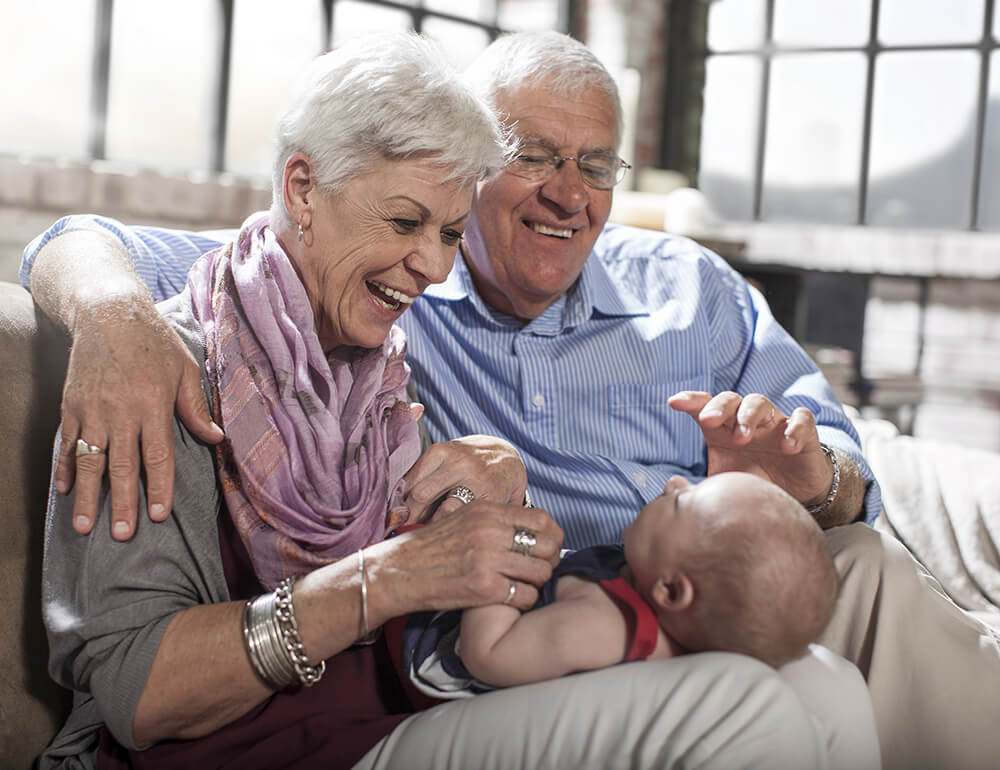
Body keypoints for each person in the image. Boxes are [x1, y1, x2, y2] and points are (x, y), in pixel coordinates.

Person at [38, 28, 1000, 769]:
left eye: (444, 232)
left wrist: (810, 477)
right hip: (385, 705)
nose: (427, 262)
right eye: (535, 157)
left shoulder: (379, 366)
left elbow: (839, 472)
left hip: (619, 616)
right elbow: (77, 240)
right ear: (303, 191)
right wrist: (113, 314)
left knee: (832, 662)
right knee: (750, 706)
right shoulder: (208, 345)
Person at [404, 472, 837, 698]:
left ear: (671, 591)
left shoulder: (602, 626)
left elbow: (485, 656)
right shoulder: (645, 582)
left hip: (437, 646)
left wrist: (511, 549)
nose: (674, 482)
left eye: (682, 501)